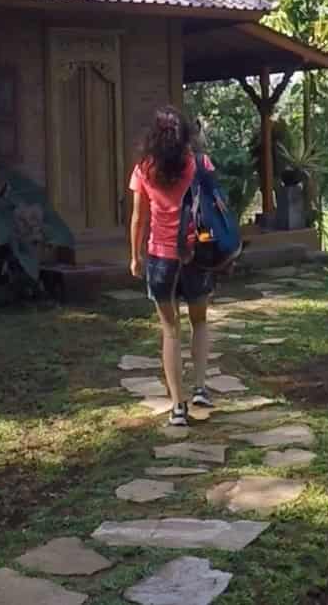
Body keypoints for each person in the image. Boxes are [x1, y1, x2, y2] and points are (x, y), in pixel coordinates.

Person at [129, 106, 214, 427]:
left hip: (160, 259)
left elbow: (139, 218)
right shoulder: (198, 163)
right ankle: (201, 387)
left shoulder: (143, 169)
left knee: (170, 331)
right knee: (200, 322)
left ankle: (178, 407)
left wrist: (135, 256)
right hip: (196, 256)